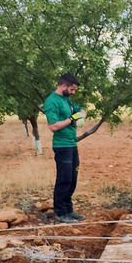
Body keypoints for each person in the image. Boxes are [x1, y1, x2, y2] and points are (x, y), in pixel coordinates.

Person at [44, 73, 87, 224]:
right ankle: (61, 213)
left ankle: (69, 209)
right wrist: (72, 118)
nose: (73, 92)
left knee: (72, 179)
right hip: (62, 146)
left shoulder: (66, 100)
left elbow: (82, 110)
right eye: (72, 89)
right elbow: (53, 126)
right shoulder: (52, 102)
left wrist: (80, 115)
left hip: (72, 144)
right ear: (63, 86)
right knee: (64, 179)